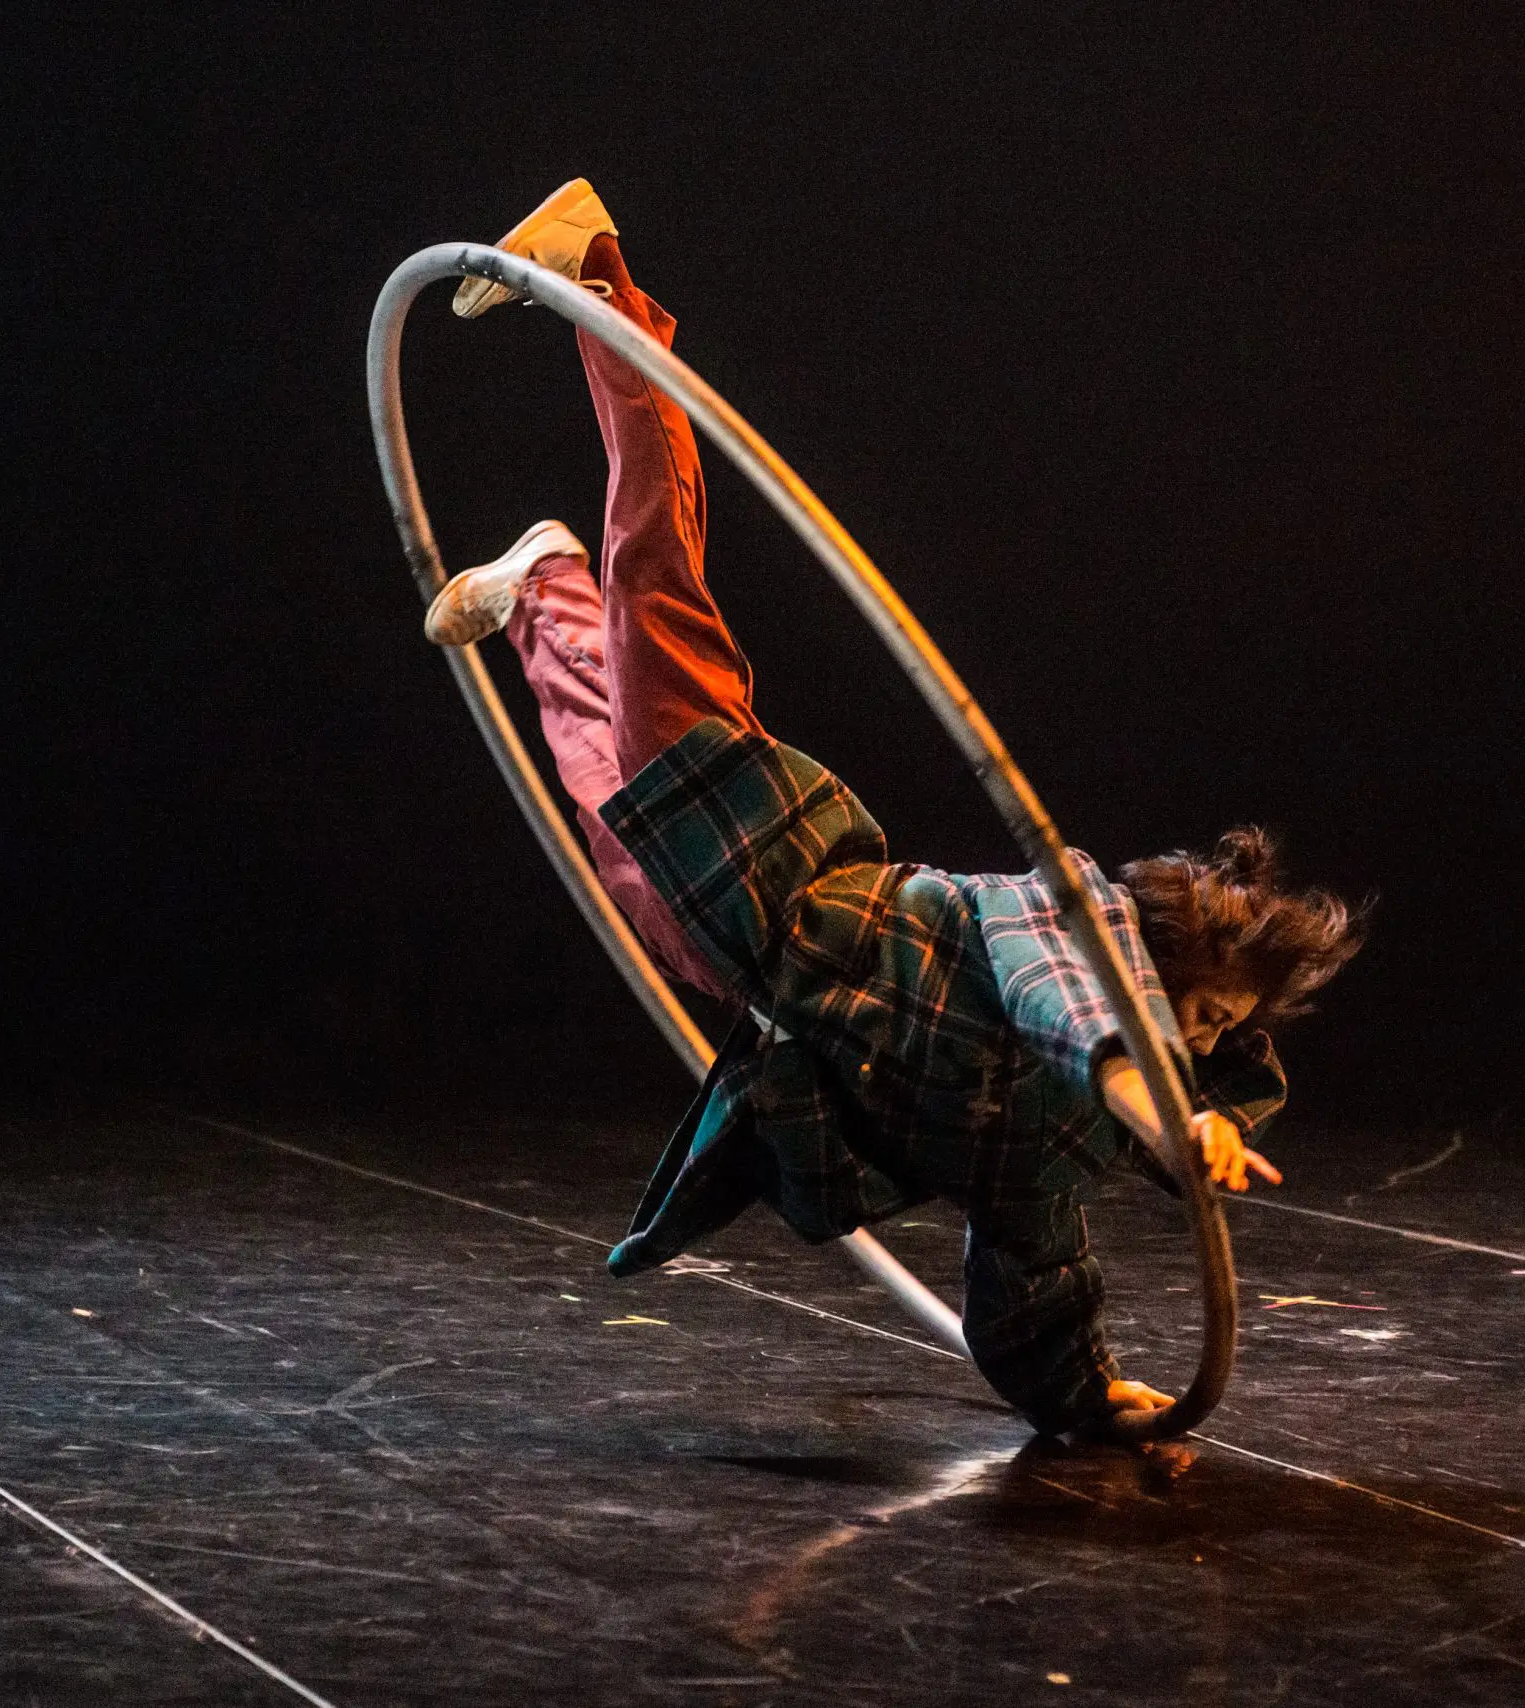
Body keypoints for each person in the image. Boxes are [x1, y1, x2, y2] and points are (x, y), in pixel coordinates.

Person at [425, 180, 1366, 1438]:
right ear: (1163, 968)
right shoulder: (1072, 912)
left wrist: (1086, 1400)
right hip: (771, 857)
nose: (1191, 1045)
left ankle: (542, 576)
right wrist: (1164, 1104)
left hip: (732, 961)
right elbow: (1076, 1000)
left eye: (1206, 1040)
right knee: (654, 572)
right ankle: (595, 272)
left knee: (591, 757)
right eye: (1194, 1011)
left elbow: (1030, 1278)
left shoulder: (1050, 1145)